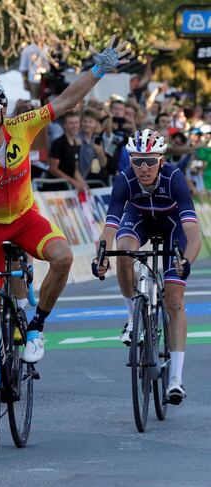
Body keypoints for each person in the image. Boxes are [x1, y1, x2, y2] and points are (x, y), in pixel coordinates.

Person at [0, 36, 131, 426]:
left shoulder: (22, 127)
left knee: (62, 257)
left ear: (2, 112)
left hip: (28, 218)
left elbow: (66, 101)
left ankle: (35, 326)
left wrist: (98, 69)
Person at [92, 128, 201, 405]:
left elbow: (192, 231)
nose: (143, 167)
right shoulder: (125, 179)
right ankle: (132, 318)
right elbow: (109, 229)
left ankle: (175, 379)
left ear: (161, 160)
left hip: (172, 226)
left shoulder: (174, 178)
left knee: (174, 300)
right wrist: (101, 256)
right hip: (138, 218)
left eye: (150, 161)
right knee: (124, 253)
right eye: (137, 160)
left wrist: (186, 260)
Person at [48, 111, 88, 191]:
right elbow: (53, 169)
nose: (74, 126)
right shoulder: (58, 143)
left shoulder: (76, 143)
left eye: (76, 123)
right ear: (65, 125)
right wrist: (73, 182)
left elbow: (73, 169)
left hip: (68, 189)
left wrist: (84, 184)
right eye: (71, 123)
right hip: (55, 188)